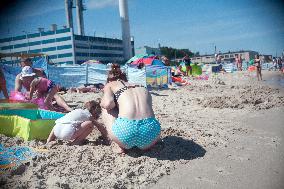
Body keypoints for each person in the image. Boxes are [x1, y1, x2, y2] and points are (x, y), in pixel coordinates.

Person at [100, 64, 161, 154]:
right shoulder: (141, 86)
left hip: (125, 134)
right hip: (151, 134)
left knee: (106, 108)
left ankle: (117, 144)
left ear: (109, 80)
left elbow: (107, 104)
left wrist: (101, 101)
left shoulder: (110, 84)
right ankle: (145, 147)